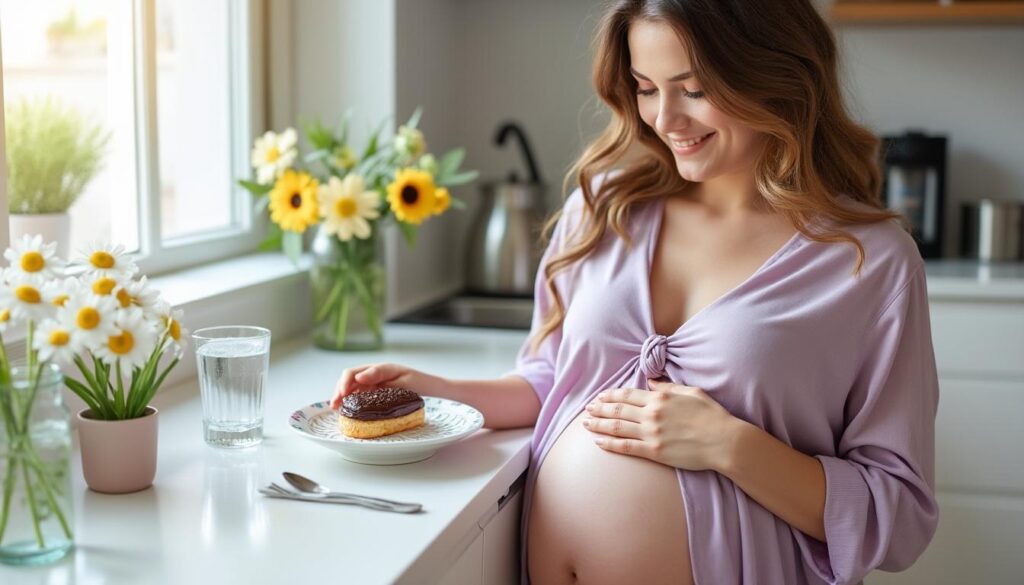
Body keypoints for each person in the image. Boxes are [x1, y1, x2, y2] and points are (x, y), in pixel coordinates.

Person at [330, 0, 940, 583]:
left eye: (694, 90)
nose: (666, 120)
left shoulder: (869, 262)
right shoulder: (604, 204)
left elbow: (899, 513)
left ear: (775, 72)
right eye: (646, 88)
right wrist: (436, 394)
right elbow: (554, 380)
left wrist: (732, 447)